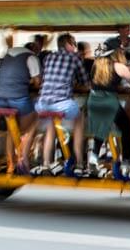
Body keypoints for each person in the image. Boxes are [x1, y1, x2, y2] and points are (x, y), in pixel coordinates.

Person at [33, 33, 90, 176]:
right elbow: (85, 81)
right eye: (74, 44)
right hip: (62, 103)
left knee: (51, 124)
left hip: (42, 103)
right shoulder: (75, 58)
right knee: (79, 118)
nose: (75, 47)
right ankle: (79, 163)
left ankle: (46, 163)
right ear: (68, 44)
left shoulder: (48, 57)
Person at [0, 45, 42, 174]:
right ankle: (23, 161)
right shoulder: (31, 57)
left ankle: (11, 163)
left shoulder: (7, 56)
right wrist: (28, 81)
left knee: (11, 128)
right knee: (35, 122)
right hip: (18, 98)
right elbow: (38, 82)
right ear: (35, 49)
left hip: (0, 98)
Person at [87, 49, 130, 174]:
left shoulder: (97, 64)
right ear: (118, 54)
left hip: (93, 100)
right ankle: (126, 160)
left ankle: (93, 157)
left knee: (102, 127)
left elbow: (93, 84)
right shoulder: (119, 66)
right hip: (109, 100)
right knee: (126, 126)